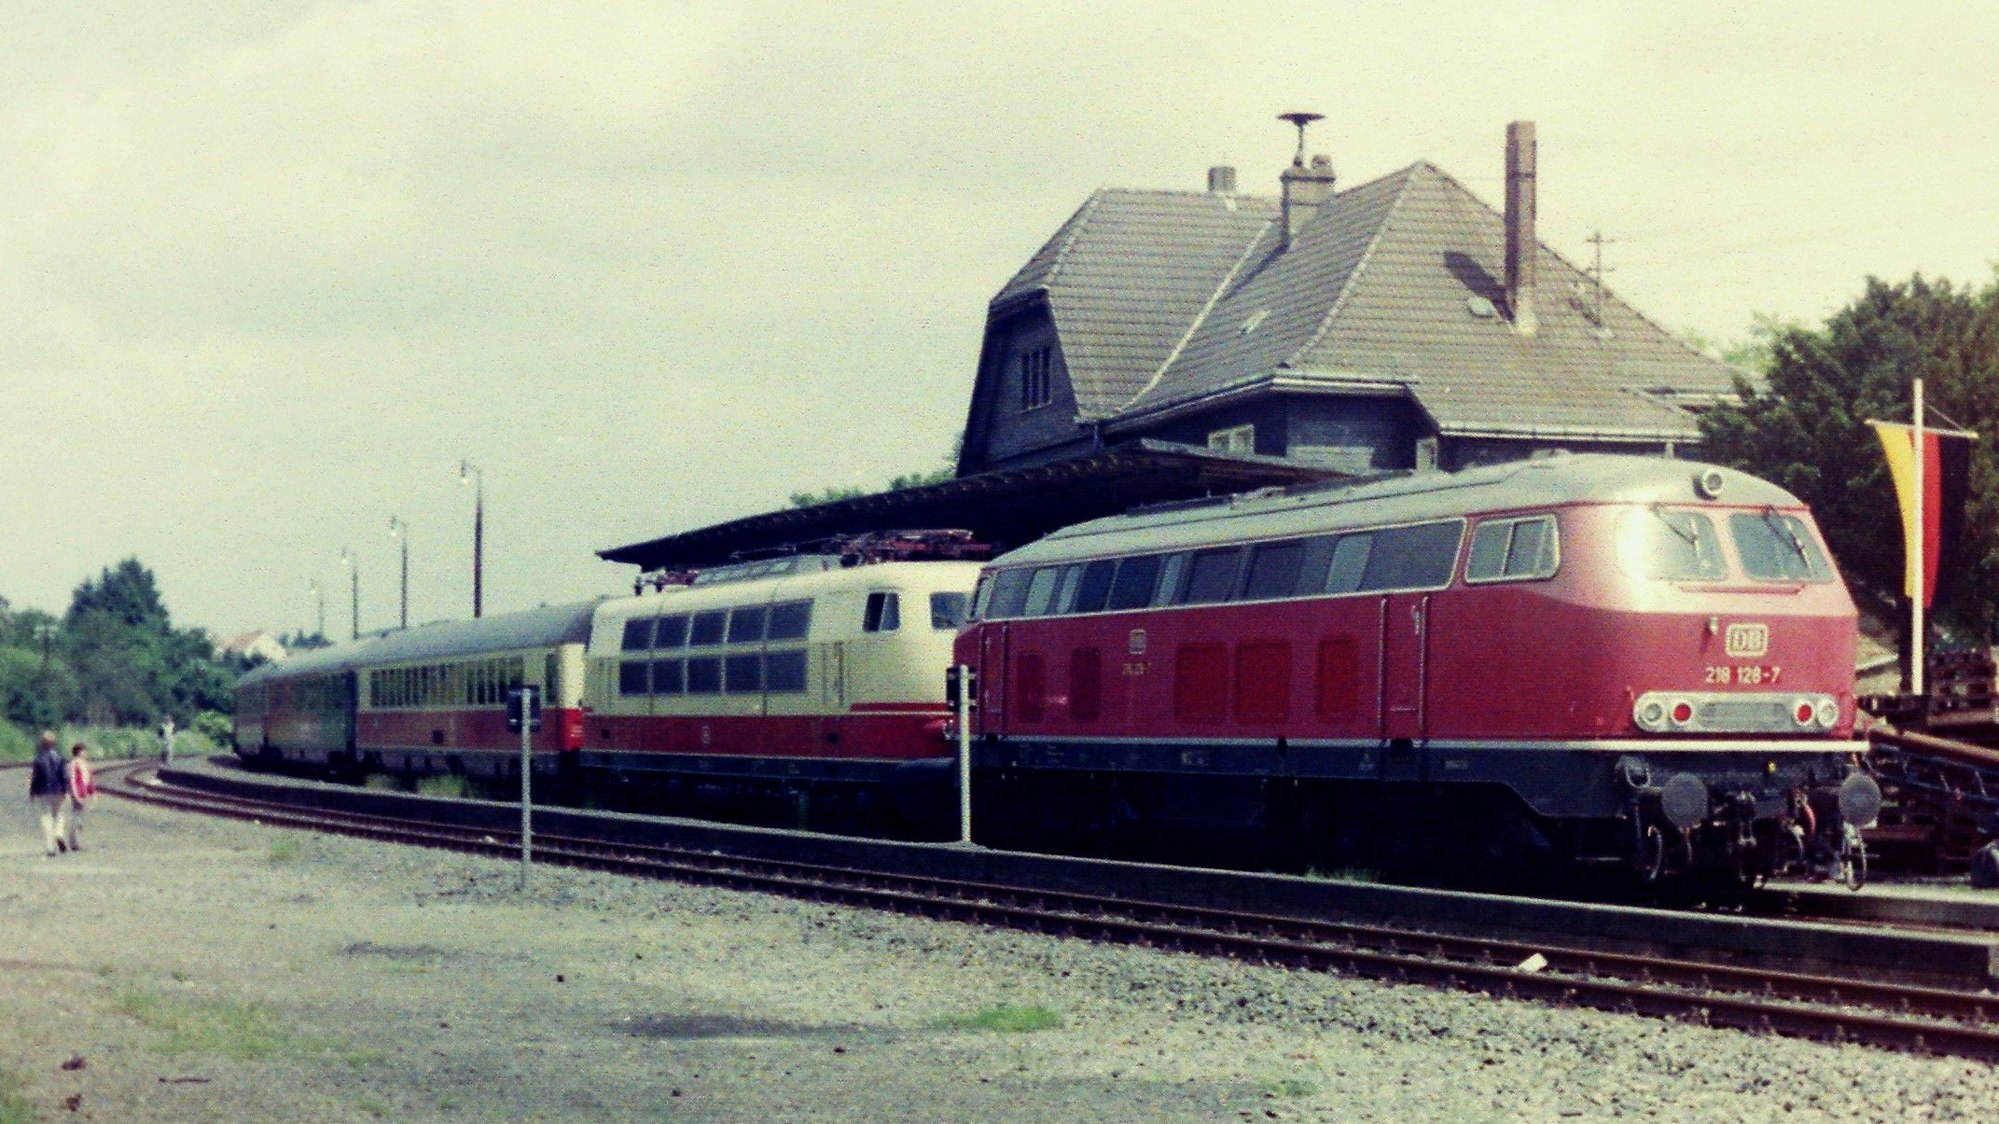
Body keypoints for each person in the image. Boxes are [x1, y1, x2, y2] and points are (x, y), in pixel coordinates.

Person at [27, 732, 67, 856]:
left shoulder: (38, 759)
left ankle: (50, 848)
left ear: (42, 743)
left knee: (46, 817)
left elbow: (35, 778)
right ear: (54, 743)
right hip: (58, 791)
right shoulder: (60, 758)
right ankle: (59, 834)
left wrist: (32, 792)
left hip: (43, 792)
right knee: (59, 815)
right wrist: (66, 790)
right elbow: (64, 776)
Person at [62, 743, 95, 853]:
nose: (85, 753)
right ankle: (74, 843)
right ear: (78, 752)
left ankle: (75, 841)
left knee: (80, 817)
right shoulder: (74, 763)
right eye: (83, 751)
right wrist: (75, 795)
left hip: (83, 793)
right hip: (77, 793)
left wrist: (92, 792)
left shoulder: (85, 764)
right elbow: (72, 781)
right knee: (76, 817)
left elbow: (88, 779)